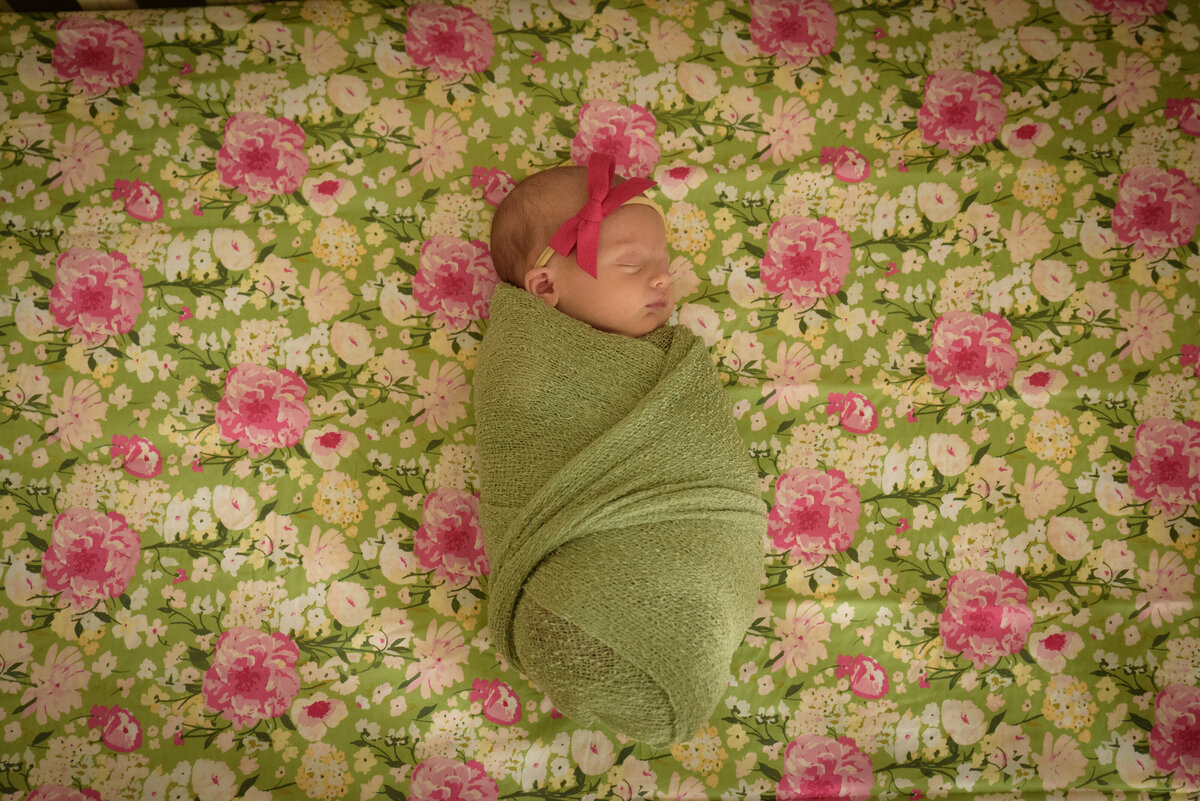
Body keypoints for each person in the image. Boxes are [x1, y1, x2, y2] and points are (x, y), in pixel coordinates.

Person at [488, 153, 675, 337]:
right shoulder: (525, 351)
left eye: (664, 264)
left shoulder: (674, 345)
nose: (663, 278)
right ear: (546, 286)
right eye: (631, 263)